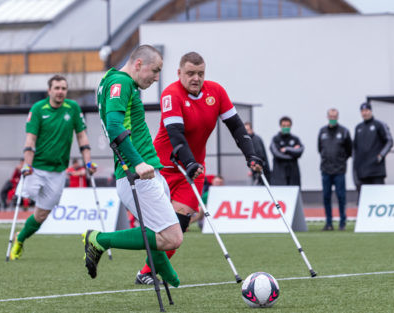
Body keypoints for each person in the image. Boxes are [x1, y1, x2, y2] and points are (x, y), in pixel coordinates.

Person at [135, 51, 263, 284]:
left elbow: (236, 128)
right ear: (179, 73)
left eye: (200, 73)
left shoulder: (217, 92)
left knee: (180, 225)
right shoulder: (171, 94)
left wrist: (251, 155)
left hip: (192, 170)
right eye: (190, 73)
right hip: (162, 167)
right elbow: (176, 135)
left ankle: (146, 272)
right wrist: (189, 160)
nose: (196, 78)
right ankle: (106, 241)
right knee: (160, 226)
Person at [87, 45, 183, 287]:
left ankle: (167, 276)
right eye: (156, 70)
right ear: (139, 64)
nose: (157, 77)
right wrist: (138, 163)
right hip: (138, 173)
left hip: (147, 169)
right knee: (172, 237)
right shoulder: (122, 82)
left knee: (157, 232)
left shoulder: (113, 79)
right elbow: (114, 126)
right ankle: (99, 239)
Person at [9, 75, 96, 260]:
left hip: (58, 171)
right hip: (36, 169)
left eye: (63, 88)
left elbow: (82, 136)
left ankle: (20, 238)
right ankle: (17, 234)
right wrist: (27, 164)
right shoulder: (38, 109)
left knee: (41, 215)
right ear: (49, 90)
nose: (60, 92)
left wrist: (88, 162)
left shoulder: (72, 108)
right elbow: (30, 139)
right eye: (56, 88)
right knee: (25, 196)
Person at [317, 108, 352, 231]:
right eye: (330, 116)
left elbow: (349, 150)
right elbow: (319, 149)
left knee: (341, 197)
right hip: (326, 170)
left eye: (334, 116)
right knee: (326, 197)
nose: (332, 118)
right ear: (327, 117)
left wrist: (341, 160)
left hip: (339, 170)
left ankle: (342, 222)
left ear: (337, 117)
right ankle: (329, 223)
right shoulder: (322, 131)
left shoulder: (344, 131)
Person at [353, 102, 393, 194]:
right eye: (362, 111)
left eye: (366, 110)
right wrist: (355, 169)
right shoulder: (358, 128)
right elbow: (355, 149)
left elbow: (389, 141)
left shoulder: (379, 125)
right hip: (362, 172)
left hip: (376, 171)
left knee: (379, 197)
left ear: (370, 111)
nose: (364, 113)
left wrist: (381, 155)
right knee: (364, 199)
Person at [270, 116, 304, 186]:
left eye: (288, 125)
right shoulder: (275, 139)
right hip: (279, 175)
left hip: (293, 175)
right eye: (284, 125)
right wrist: (293, 153)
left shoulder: (295, 139)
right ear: (280, 126)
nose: (286, 127)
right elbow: (277, 154)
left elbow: (300, 151)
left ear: (291, 126)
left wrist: (286, 149)